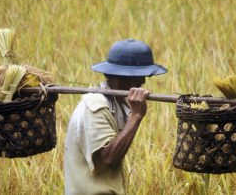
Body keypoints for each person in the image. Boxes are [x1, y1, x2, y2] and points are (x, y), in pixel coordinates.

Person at [64, 39, 167, 195]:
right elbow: (108, 158)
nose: (143, 81)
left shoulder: (117, 103)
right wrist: (136, 116)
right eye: (139, 76)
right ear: (121, 77)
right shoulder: (95, 106)